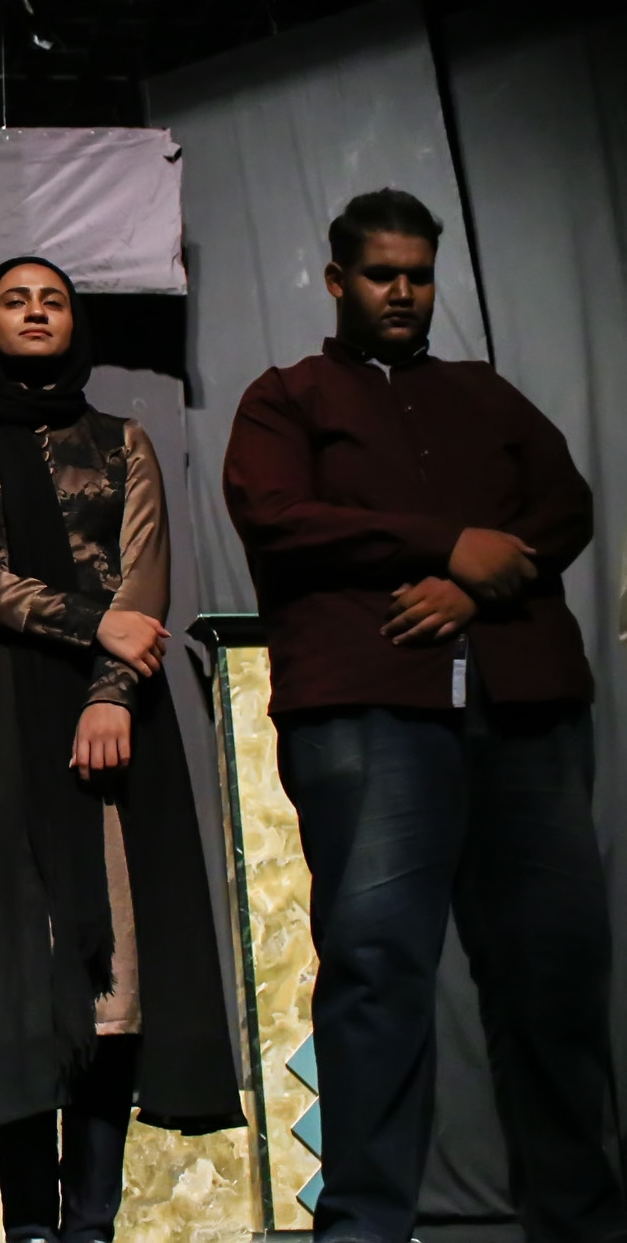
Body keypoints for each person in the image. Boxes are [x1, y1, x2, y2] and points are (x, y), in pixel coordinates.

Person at [223, 189, 625, 1243]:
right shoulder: (288, 397)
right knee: (375, 970)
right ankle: (364, 1226)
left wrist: (473, 584)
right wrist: (445, 544)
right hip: (372, 706)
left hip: (524, 706)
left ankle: (578, 1222)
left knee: (553, 975)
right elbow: (276, 515)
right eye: (380, 274)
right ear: (336, 281)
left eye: (418, 275)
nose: (402, 292)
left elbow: (565, 504)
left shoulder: (483, 394)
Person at [0, 257, 242, 1241]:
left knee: (110, 974)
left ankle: (90, 1221)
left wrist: (110, 694)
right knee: (13, 964)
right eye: (16, 300)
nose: (37, 311)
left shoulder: (121, 441)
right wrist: (91, 624)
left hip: (111, 720)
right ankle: (28, 1226)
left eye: (53, 299)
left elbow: (144, 583)